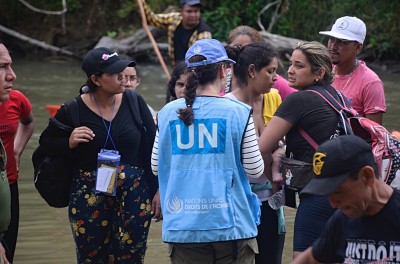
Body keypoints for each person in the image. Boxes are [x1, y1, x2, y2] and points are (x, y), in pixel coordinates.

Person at [39, 47, 160, 263]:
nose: (123, 77)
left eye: (122, 71)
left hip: (133, 194)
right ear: (96, 79)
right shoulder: (72, 109)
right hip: (89, 195)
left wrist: (158, 190)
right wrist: (69, 142)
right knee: (91, 256)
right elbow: (47, 143)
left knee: (132, 256)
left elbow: (154, 147)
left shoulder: (133, 101)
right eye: (115, 73)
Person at [151, 38, 264, 263]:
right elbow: (254, 170)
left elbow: (156, 167)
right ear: (223, 70)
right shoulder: (239, 112)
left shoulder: (166, 113)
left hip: (183, 227)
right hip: (231, 226)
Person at [258, 41, 345, 260]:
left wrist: (256, 109)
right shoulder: (338, 97)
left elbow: (261, 146)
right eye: (290, 64)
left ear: (319, 73)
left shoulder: (299, 99)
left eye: (299, 66)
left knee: (303, 259)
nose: (290, 70)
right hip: (345, 191)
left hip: (317, 195)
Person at [293, 135, 400, 264]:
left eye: (338, 192)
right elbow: (310, 259)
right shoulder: (342, 220)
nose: (333, 204)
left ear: (367, 176)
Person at [225, 41, 286, 264]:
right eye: (270, 71)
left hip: (272, 199)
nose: (276, 77)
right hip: (239, 203)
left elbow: (282, 142)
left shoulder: (274, 97)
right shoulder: (227, 106)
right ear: (252, 71)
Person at [0, 40, 34, 263]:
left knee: (8, 252)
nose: (12, 75)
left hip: (8, 185)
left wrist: (16, 152)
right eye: (2, 67)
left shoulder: (15, 100)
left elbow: (28, 122)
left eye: (10, 66)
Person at [319, 16, 386, 124]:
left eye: (342, 42)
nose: (333, 46)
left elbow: (375, 134)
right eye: (331, 39)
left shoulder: (371, 83)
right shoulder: (322, 72)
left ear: (358, 48)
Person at [226, 25, 296, 100]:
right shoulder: (221, 76)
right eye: (236, 47)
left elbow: (300, 100)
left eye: (246, 49)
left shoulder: (272, 81)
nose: (240, 53)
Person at [141, 0, 212, 65]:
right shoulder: (175, 19)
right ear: (181, 12)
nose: (193, 15)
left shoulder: (203, 34)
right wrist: (141, 2)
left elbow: (201, 63)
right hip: (175, 66)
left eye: (196, 11)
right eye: (189, 11)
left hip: (192, 72)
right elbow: (152, 19)